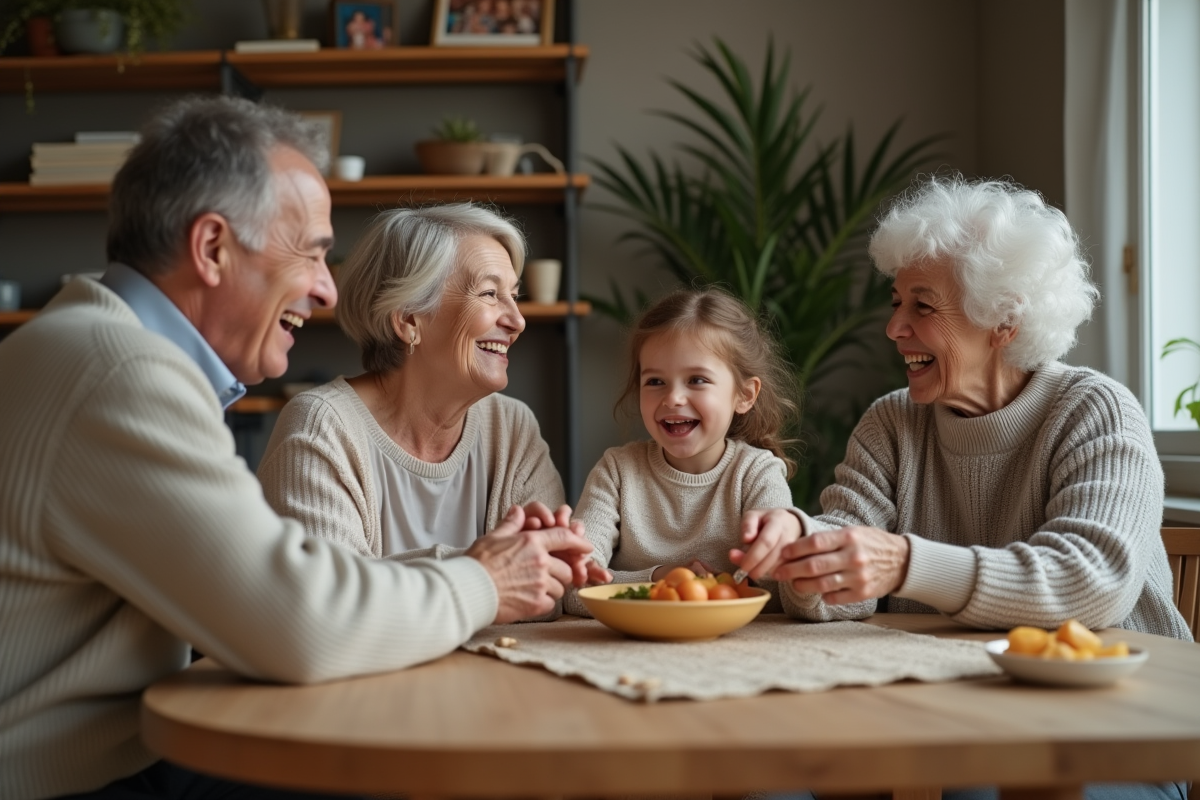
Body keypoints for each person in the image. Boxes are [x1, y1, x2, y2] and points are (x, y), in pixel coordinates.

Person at [0, 96, 595, 800]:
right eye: (311, 251)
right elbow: (301, 622)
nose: (326, 288)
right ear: (212, 248)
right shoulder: (121, 372)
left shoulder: (89, 344)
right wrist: (484, 580)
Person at [733, 176, 1190, 633]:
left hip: (1121, 671)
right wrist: (801, 546)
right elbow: (841, 583)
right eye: (897, 302)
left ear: (1004, 320)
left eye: (923, 307)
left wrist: (905, 564)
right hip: (961, 671)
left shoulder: (1095, 412)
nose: (894, 328)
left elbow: (1092, 584)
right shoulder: (892, 423)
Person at [258, 205, 606, 600]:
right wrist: (489, 570)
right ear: (409, 319)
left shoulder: (511, 428)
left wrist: (542, 566)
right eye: (490, 294)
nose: (517, 320)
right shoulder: (321, 426)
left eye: (514, 296)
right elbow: (329, 600)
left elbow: (549, 591)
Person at [563, 287, 797, 616]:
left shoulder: (758, 474)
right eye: (655, 382)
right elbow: (573, 589)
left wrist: (706, 589)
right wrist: (660, 580)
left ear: (744, 395)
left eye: (697, 380)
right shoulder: (616, 471)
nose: (672, 398)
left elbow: (780, 592)